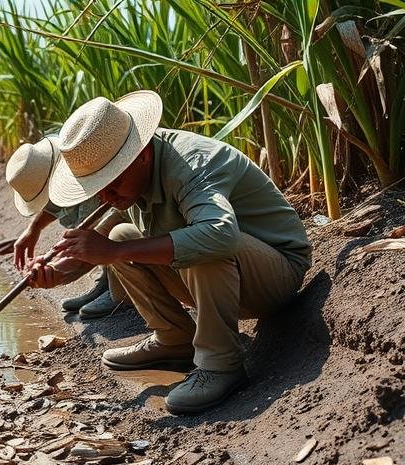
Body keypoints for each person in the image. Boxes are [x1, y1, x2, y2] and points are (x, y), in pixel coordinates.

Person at [26, 93, 311, 415]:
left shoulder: (190, 166)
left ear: (143, 154)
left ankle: (221, 364)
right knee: (121, 233)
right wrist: (57, 273)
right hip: (224, 282)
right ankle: (174, 339)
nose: (106, 196)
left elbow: (221, 235)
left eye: (112, 182)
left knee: (199, 244)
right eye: (98, 188)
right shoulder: (133, 180)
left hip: (274, 276)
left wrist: (115, 250)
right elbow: (104, 242)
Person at [4, 135, 130, 319]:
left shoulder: (92, 166)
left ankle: (120, 287)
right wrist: (34, 227)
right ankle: (107, 279)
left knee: (109, 232)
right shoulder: (63, 165)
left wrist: (55, 271)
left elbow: (96, 235)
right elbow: (55, 202)